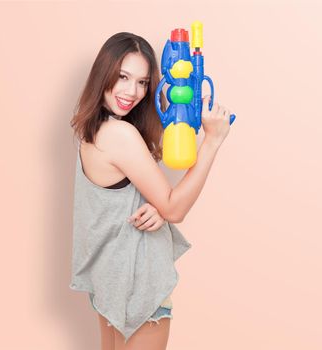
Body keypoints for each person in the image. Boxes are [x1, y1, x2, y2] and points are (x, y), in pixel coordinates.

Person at [69, 32, 231, 350]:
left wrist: (156, 205)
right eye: (123, 77)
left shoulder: (93, 130)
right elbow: (176, 209)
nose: (132, 92)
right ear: (103, 73)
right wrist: (212, 141)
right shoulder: (120, 135)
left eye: (142, 82)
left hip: (110, 287)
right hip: (137, 289)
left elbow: (127, 197)